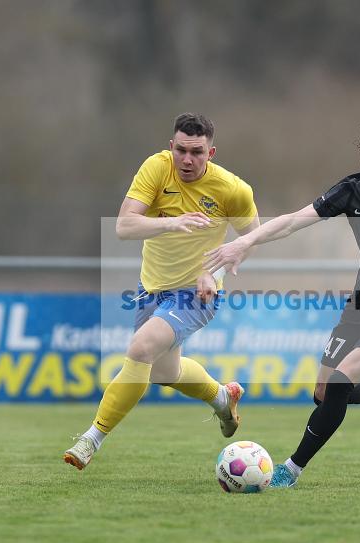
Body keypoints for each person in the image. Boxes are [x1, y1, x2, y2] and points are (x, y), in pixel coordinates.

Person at [204, 110, 360, 487]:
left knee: (340, 382)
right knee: (323, 393)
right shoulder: (352, 191)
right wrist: (244, 241)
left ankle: (290, 470)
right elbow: (293, 220)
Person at [64, 113, 261, 470]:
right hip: (151, 288)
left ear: (211, 152)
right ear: (171, 147)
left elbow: (252, 237)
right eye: (181, 150)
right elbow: (124, 226)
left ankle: (91, 438)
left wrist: (212, 270)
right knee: (164, 373)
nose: (187, 159)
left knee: (140, 349)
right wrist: (174, 221)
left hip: (197, 292)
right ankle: (221, 397)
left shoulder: (233, 189)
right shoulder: (156, 168)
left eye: (197, 152)